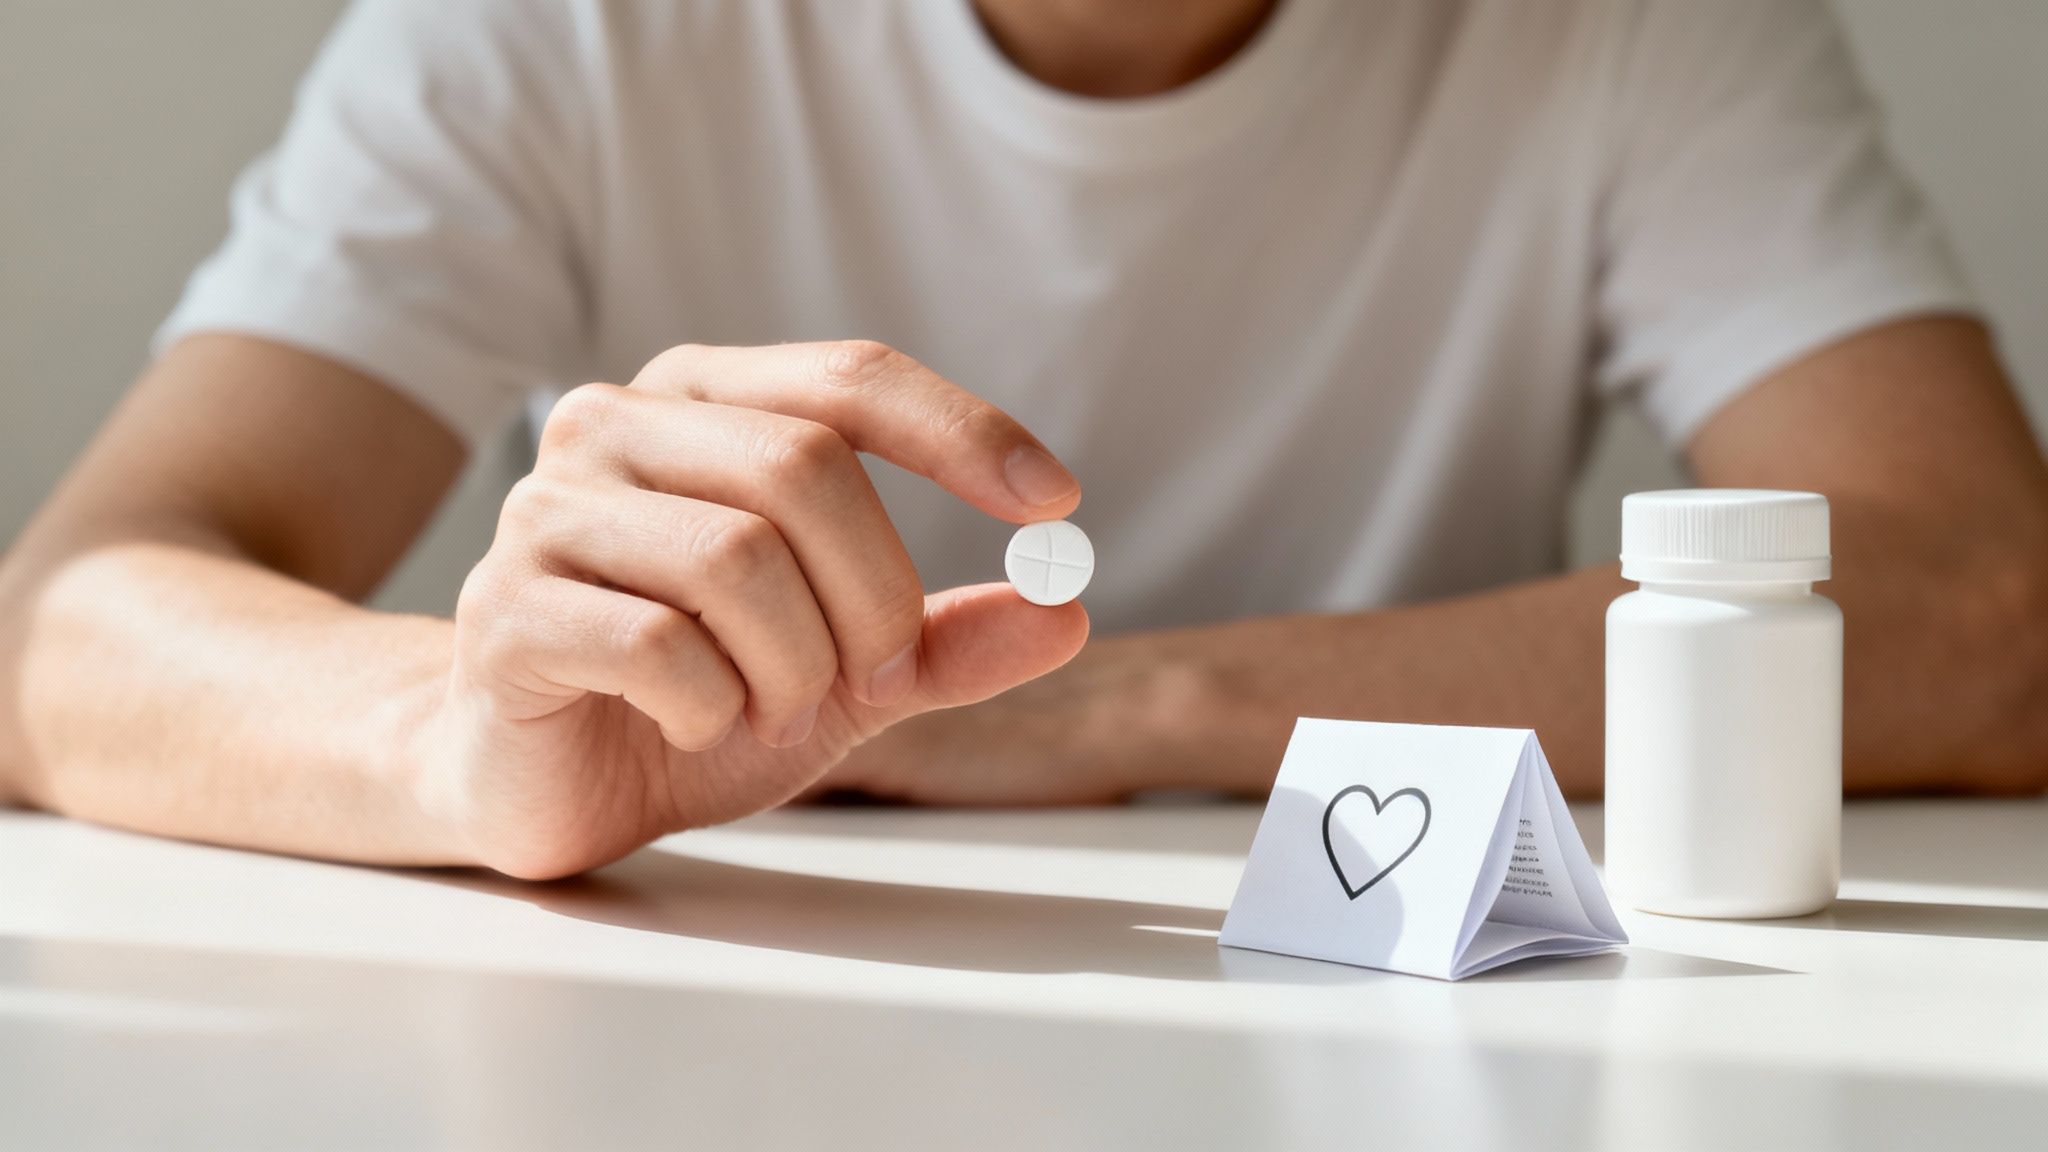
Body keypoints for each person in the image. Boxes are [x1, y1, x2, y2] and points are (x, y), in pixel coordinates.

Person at [2, 0, 2043, 880]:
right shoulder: (552, 33)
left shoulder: (1629, 28)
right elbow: (67, 636)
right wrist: (471, 742)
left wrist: (1103, 706)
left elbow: (1990, 606)